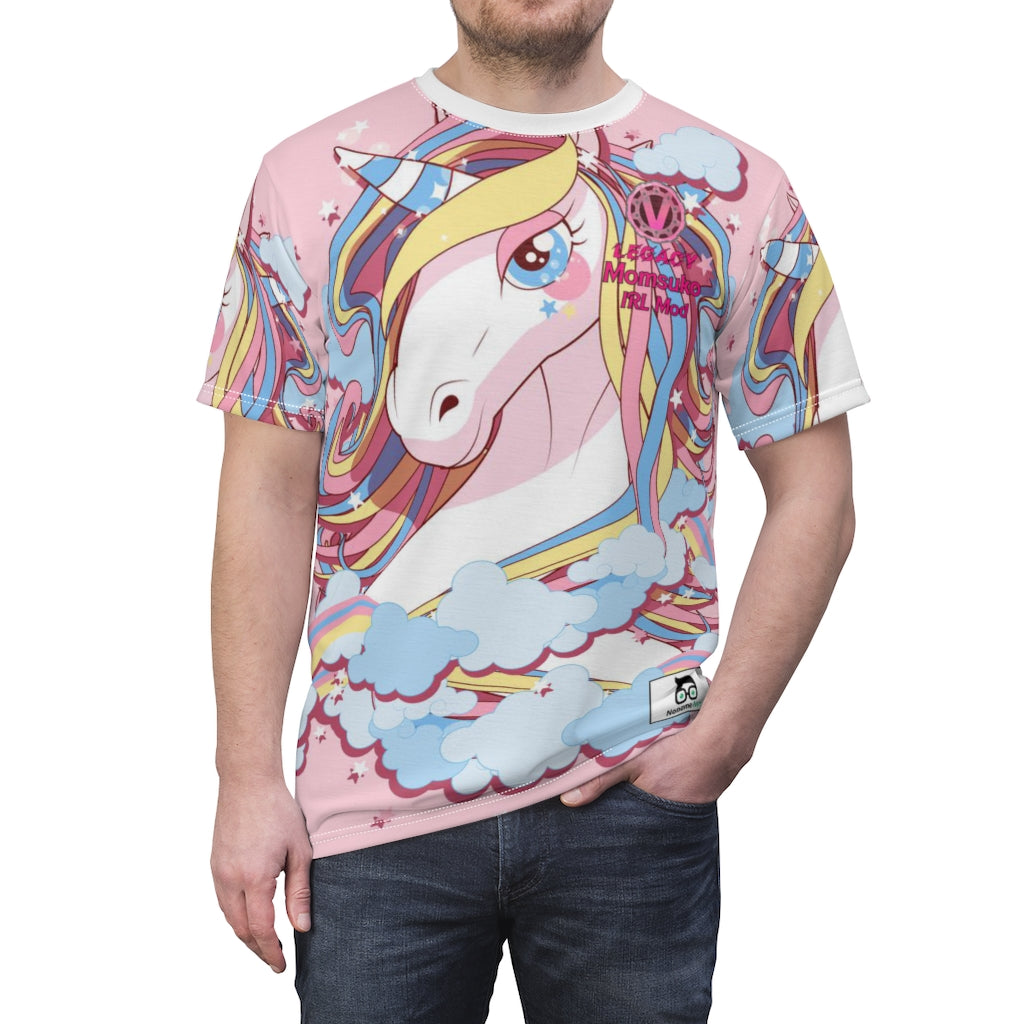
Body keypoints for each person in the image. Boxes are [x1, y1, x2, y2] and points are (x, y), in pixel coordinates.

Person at [199, 2, 869, 1020]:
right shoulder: (304, 180)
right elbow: (267, 489)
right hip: (370, 815)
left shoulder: (738, 193)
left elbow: (816, 486)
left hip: (633, 797)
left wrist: (726, 730)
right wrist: (244, 774)